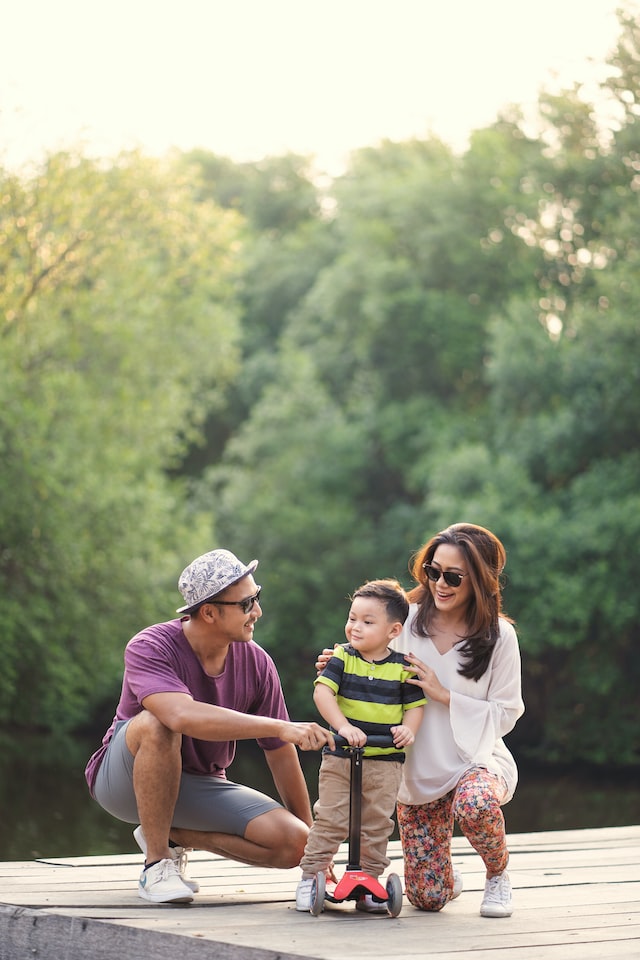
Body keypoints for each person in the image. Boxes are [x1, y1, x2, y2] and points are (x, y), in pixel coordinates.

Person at [85, 548, 334, 905]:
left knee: (295, 843)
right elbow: (180, 717)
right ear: (209, 612)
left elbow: (281, 754)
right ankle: (156, 865)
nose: (258, 612)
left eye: (257, 598)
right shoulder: (150, 646)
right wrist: (280, 726)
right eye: (247, 604)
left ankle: (174, 835)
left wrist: (316, 854)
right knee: (159, 723)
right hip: (123, 781)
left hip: (201, 783)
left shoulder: (258, 663)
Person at [316, 523, 524, 918]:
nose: (440, 584)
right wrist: (338, 666)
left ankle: (498, 875)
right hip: (415, 773)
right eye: (433, 571)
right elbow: (363, 655)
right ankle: (442, 875)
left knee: (476, 804)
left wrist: (444, 695)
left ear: (479, 580)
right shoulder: (404, 621)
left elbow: (508, 713)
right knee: (428, 899)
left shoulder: (499, 636)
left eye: (453, 576)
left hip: (474, 760)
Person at [296, 578, 426, 913]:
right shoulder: (342, 658)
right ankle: (312, 876)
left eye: (368, 622)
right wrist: (343, 726)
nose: (356, 627)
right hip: (341, 755)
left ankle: (368, 882)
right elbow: (322, 692)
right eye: (353, 618)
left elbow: (415, 706)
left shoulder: (402, 668)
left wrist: (408, 731)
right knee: (332, 818)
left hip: (385, 761)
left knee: (377, 823)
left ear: (393, 630)